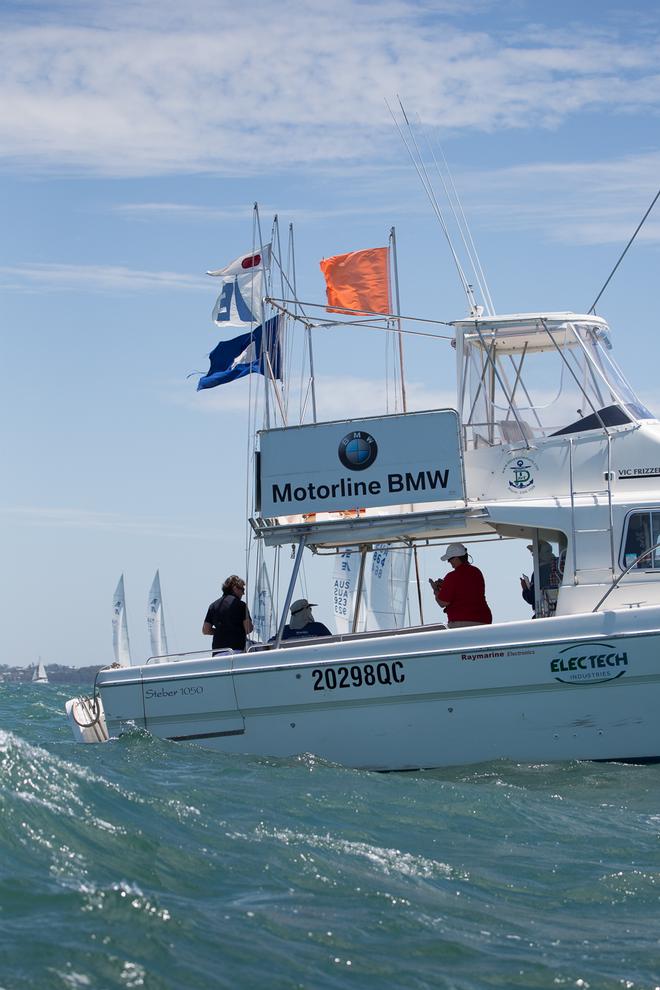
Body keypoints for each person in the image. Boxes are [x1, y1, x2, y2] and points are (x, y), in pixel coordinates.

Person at [429, 543, 492, 628]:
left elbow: (443, 602)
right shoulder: (476, 572)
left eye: (449, 559)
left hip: (463, 621)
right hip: (484, 620)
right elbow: (466, 589)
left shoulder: (452, 576)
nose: (449, 562)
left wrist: (436, 590)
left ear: (456, 558)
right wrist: (445, 585)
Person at [203, 575, 253, 652]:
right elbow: (248, 629)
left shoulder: (213, 606)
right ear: (235, 588)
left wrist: (221, 631)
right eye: (242, 589)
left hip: (217, 653)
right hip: (236, 651)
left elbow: (206, 630)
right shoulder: (241, 605)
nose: (243, 593)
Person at [521, 541, 559, 617]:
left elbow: (532, 598)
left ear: (539, 555)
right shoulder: (555, 567)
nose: (532, 555)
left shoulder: (539, 572)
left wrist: (525, 589)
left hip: (545, 612)